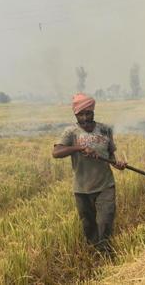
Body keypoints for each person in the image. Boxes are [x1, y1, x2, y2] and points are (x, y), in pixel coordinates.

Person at [52, 93, 125, 252]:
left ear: (93, 112)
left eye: (88, 113)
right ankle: (95, 252)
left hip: (105, 185)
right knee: (88, 224)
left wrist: (117, 163)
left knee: (105, 221)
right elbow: (56, 153)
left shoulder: (105, 130)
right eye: (81, 114)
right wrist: (79, 148)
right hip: (82, 188)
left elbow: (110, 154)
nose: (85, 118)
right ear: (75, 114)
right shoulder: (71, 132)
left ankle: (105, 252)